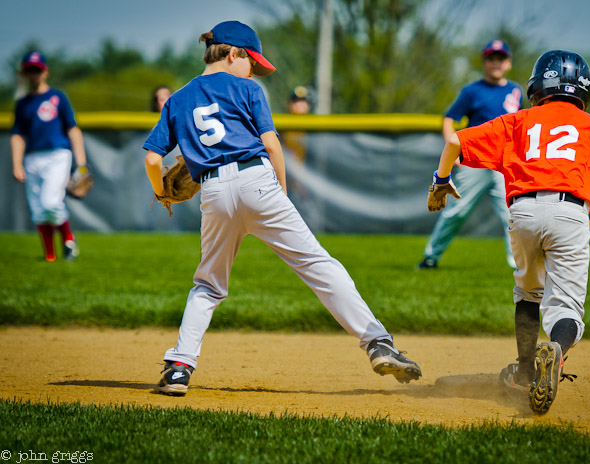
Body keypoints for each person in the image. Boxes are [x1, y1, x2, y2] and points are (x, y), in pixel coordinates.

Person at [143, 20, 422, 396]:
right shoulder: (247, 88)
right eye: (251, 62)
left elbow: (151, 158)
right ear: (232, 53)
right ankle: (377, 343)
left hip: (212, 191)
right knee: (318, 264)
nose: (254, 70)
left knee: (208, 284)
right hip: (257, 180)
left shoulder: (177, 99)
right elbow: (273, 147)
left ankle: (179, 368)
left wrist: (162, 192)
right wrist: (281, 196)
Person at [426, 50, 590, 415]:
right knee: (565, 305)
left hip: (522, 209)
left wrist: (441, 180)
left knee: (527, 289)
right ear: (584, 90)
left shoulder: (517, 120)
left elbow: (455, 141)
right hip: (571, 213)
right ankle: (556, 351)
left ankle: (523, 373)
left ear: (537, 85)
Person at [419, 40, 522, 270]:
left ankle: (519, 265)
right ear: (485, 62)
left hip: (503, 163)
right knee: (457, 211)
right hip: (475, 161)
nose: (495, 62)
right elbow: (449, 119)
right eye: (491, 58)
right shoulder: (472, 90)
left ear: (508, 63)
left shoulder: (515, 91)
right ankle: (430, 257)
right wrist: (452, 149)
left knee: (512, 215)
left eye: (500, 58)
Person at [10, 51, 87, 261]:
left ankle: (68, 238)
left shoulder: (58, 97)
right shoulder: (22, 103)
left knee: (50, 202)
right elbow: (18, 135)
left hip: (57, 155)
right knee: (38, 209)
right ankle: (50, 255)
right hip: (32, 157)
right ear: (24, 73)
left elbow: (73, 129)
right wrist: (17, 164)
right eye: (29, 70)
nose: (33, 74)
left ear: (46, 71)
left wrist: (81, 163)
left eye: (37, 69)